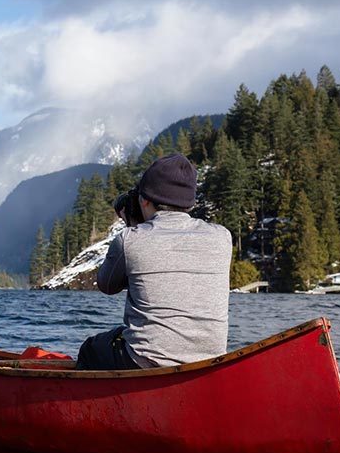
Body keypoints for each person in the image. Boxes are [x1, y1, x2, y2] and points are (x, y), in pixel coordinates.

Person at [76, 153, 232, 370]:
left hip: (145, 361)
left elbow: (107, 285)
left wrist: (132, 228)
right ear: (189, 203)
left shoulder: (130, 239)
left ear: (144, 200)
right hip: (208, 361)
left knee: (91, 349)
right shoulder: (222, 237)